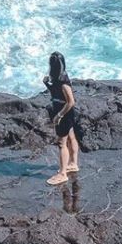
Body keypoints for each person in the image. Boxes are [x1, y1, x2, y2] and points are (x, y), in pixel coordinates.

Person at [43, 51, 79, 185]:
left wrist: (59, 115)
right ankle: (73, 163)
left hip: (64, 112)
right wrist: (47, 84)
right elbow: (56, 94)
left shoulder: (63, 83)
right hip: (63, 111)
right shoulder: (58, 79)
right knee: (71, 137)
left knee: (61, 143)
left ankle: (63, 173)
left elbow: (71, 101)